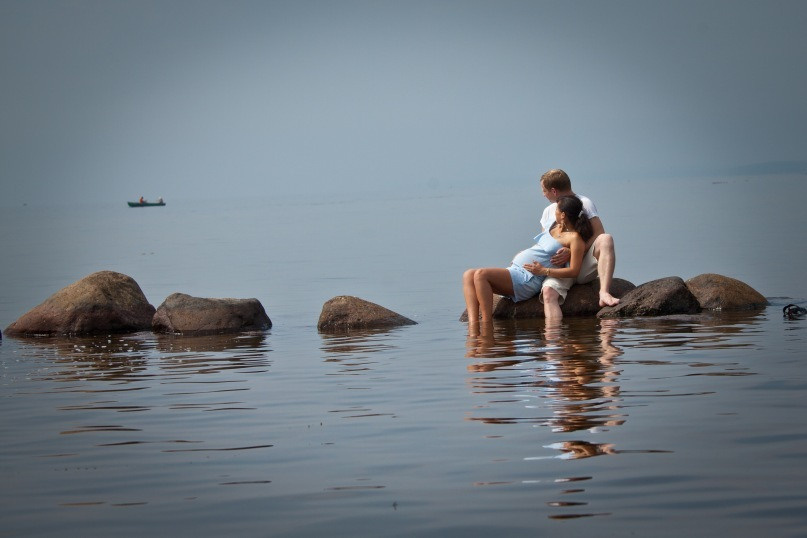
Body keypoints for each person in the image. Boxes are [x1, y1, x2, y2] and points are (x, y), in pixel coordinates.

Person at [463, 195, 593, 328]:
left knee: (481, 274)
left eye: (556, 210)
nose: (555, 213)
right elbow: (540, 248)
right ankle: (473, 326)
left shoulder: (574, 239)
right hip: (516, 270)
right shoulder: (554, 226)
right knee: (468, 275)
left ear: (563, 215)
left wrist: (544, 271)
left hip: (528, 278)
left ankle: (486, 325)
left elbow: (574, 271)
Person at [538, 169, 619, 321]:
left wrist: (573, 251)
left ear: (553, 191)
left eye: (544, 190)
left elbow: (599, 232)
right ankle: (554, 335)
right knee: (548, 292)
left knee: (606, 239)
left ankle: (604, 293)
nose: (543, 194)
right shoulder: (547, 212)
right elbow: (544, 243)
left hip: (582, 265)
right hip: (560, 268)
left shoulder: (584, 203)